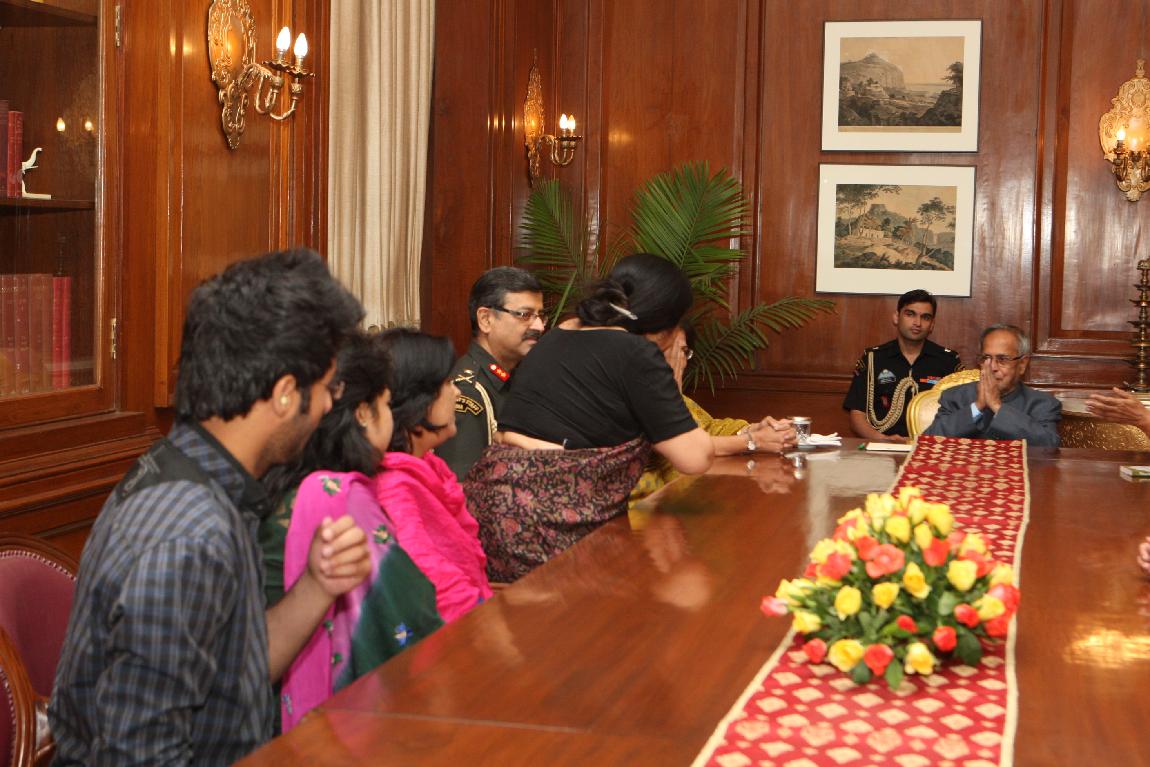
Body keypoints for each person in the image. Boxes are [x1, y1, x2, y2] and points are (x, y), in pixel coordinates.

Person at [49, 249, 372, 765]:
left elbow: (232, 675)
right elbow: (138, 756)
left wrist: (317, 585)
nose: (331, 403)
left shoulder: (196, 472)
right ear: (285, 394)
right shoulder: (191, 535)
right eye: (326, 387)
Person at [466, 253, 715, 581]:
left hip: (490, 515)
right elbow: (695, 458)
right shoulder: (636, 352)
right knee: (688, 584)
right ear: (666, 325)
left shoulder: (559, 333)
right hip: (549, 527)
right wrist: (671, 386)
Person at [260, 331, 444, 732]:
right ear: (363, 413)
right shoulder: (341, 500)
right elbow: (410, 619)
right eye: (386, 404)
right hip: (333, 725)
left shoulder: (275, 483)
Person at [375, 327, 493, 621]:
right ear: (417, 400)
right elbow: (430, 582)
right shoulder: (394, 487)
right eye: (447, 383)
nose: (456, 392)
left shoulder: (426, 465)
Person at [629, 324, 796, 507]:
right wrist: (753, 440)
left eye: (683, 352)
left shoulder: (672, 397)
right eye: (666, 351)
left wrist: (752, 429)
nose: (676, 360)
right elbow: (687, 446)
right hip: (635, 509)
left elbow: (708, 427)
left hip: (672, 504)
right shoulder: (630, 397)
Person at [437, 267, 545, 480]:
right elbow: (462, 486)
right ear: (486, 319)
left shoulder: (514, 377)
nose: (539, 326)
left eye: (540, 316)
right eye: (524, 315)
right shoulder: (468, 391)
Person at [843, 289, 963, 443]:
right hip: (882, 446)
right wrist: (884, 440)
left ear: (932, 324)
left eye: (925, 317)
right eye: (910, 314)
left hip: (931, 446)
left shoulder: (948, 361)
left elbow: (960, 415)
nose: (917, 323)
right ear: (896, 317)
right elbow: (857, 415)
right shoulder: (873, 359)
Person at [924, 323, 1061, 446]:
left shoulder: (1042, 404)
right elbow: (928, 441)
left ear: (1022, 364)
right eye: (986, 358)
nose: (993, 367)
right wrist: (977, 406)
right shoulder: (955, 397)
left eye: (1002, 359)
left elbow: (1049, 445)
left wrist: (996, 406)